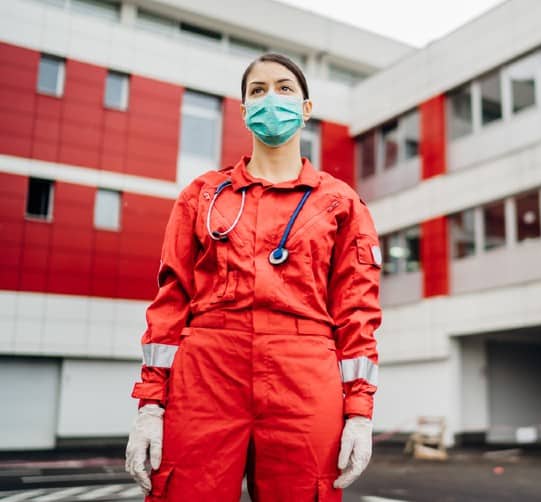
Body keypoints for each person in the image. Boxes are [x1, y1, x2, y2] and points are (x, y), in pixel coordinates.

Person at [124, 53, 382, 501]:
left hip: (303, 380)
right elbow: (170, 303)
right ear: (244, 112)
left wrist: (359, 412)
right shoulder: (202, 195)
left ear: (306, 108)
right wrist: (150, 405)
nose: (271, 99)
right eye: (257, 91)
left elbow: (357, 311)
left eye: (284, 88)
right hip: (205, 377)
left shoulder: (341, 204)